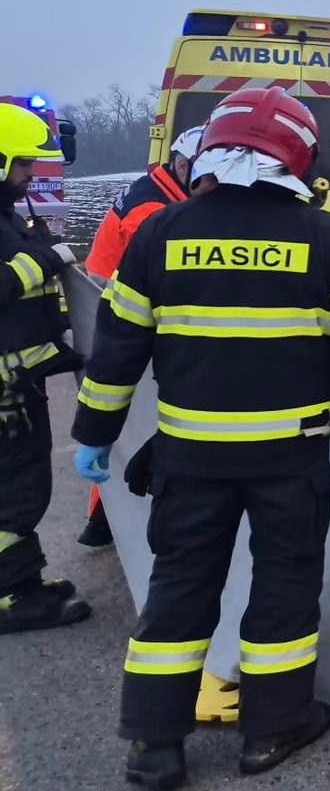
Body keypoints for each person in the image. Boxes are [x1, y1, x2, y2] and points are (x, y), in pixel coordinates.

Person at [71, 86, 330, 791]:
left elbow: (117, 352)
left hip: (189, 459)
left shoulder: (164, 233)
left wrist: (94, 436)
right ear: (296, 154)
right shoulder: (326, 238)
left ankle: (156, 744)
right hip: (291, 458)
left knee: (181, 587)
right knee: (284, 588)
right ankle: (273, 726)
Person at [79, 126, 209, 549]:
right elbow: (160, 278)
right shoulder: (150, 211)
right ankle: (106, 519)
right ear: (183, 164)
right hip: (115, 307)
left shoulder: (161, 189)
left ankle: (105, 519)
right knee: (133, 419)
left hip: (117, 301)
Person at [0, 102, 90, 634]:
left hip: (18, 385)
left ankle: (22, 580)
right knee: (14, 493)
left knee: (21, 488)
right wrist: (50, 257)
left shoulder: (7, 215)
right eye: (23, 163)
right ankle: (11, 598)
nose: (31, 173)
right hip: (6, 396)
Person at [85, 125, 206, 281]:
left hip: (108, 277)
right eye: (206, 172)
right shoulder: (151, 211)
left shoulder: (154, 185)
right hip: (110, 290)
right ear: (183, 167)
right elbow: (155, 271)